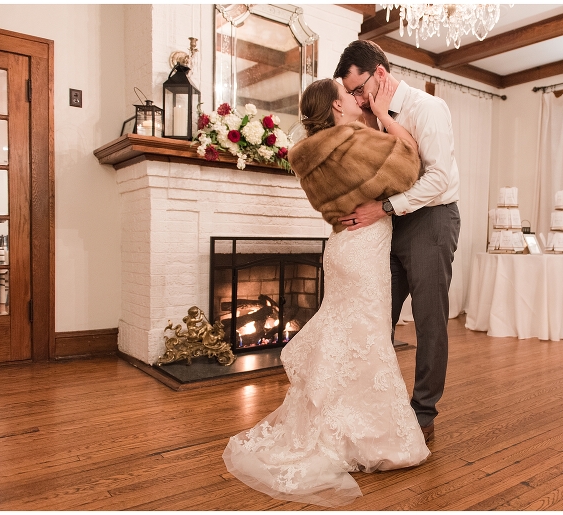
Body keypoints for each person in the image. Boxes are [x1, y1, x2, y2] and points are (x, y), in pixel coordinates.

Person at [222, 77, 429, 508]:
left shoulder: (311, 154)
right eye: (347, 94)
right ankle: (363, 436)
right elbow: (410, 163)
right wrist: (384, 115)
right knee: (365, 337)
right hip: (364, 251)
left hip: (339, 248)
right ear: (336, 106)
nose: (355, 99)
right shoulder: (353, 141)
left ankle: (338, 424)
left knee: (347, 334)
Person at [334, 40, 461, 444]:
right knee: (377, 313)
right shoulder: (372, 113)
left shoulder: (428, 108)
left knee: (428, 319)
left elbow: (438, 178)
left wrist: (384, 208)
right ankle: (377, 403)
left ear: (380, 74)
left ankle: (423, 412)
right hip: (390, 224)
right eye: (350, 93)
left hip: (432, 220)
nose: (357, 98)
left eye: (358, 89)